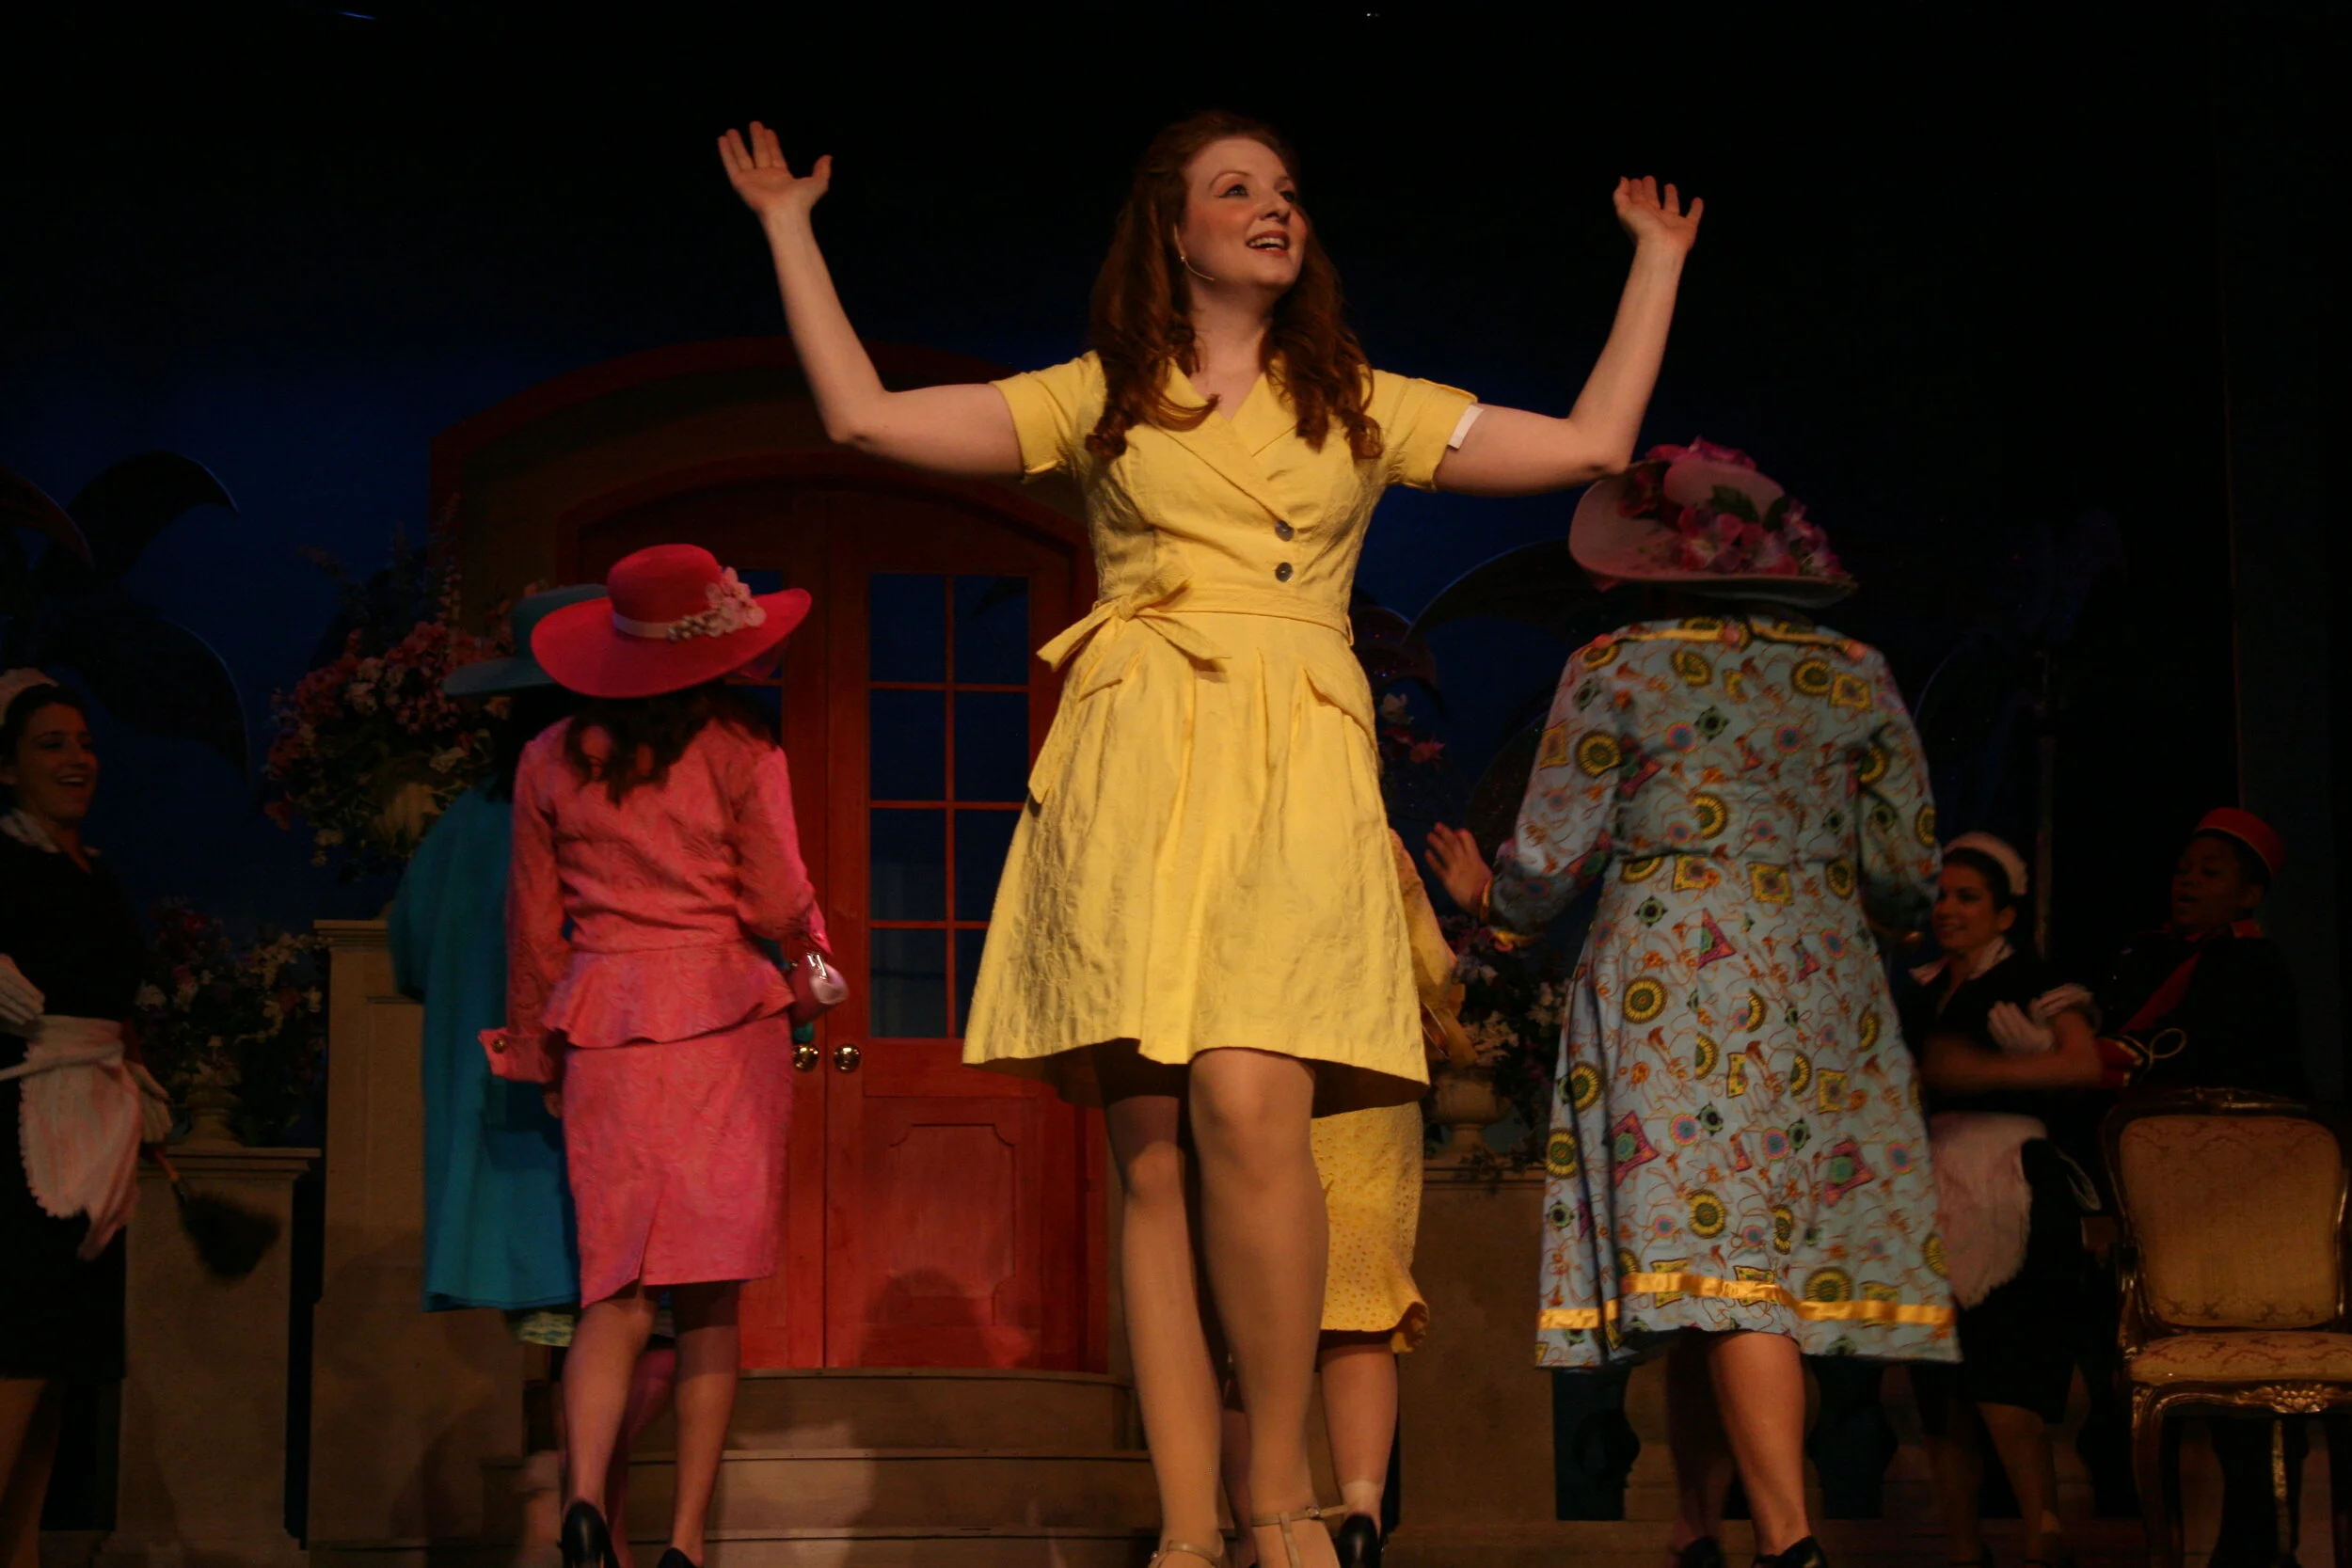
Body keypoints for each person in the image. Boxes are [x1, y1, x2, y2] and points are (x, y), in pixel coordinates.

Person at [719, 107, 1698, 1568]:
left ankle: (1280, 1488)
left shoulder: (1357, 401)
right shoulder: (1103, 396)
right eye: (1236, 189)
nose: (1272, 207)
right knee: (1153, 1157)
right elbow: (863, 418)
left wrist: (1656, 260)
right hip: (1138, 759)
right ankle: (1188, 1523)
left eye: (1286, 188)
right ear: (1173, 232)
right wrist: (790, 228)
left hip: (1295, 758)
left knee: (1251, 1100)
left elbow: (1593, 444)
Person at [1425, 441, 1955, 1568]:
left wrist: (1493, 903)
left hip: (1674, 979)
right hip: (1820, 979)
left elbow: (1546, 858)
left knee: (1723, 1270)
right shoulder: (1854, 672)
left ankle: (1789, 1538)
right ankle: (1694, 1527)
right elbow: (1908, 874)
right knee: (1711, 1272)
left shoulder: (1616, 666)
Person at [483, 546, 828, 1568]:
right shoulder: (739, 748)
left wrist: (539, 1051)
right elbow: (775, 899)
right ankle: (684, 1541)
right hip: (724, 1022)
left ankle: (586, 1499)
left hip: (605, 1028)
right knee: (710, 1301)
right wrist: (812, 953)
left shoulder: (549, 756)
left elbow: (532, 929)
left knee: (614, 1292)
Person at [392, 587, 676, 1568]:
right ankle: (568, 1503)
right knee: (634, 1329)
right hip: (587, 1106)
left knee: (576, 1339)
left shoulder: (463, 823)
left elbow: (412, 954)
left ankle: (573, 1510)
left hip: (505, 1121)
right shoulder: (592, 804)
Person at [1219, 832, 1470, 1568]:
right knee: (1360, 1302)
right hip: (1367, 1074)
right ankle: (1361, 1510)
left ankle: (1257, 1537)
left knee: (1249, 1317)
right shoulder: (1367, 834)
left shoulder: (1225, 820)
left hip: (1255, 1068)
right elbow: (1430, 965)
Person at [2090, 808, 2304, 1568]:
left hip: (2243, 1203)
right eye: (2184, 868)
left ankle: (2257, 1539)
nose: (2188, 881)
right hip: (2159, 1203)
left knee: (2245, 1372)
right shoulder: (2143, 955)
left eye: (2211, 872)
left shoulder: (2254, 967)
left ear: (2249, 894)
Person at [1896, 832, 2101, 1568]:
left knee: (2003, 1375)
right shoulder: (1922, 990)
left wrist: (1983, 1071)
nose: (1948, 908)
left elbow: (2084, 1064)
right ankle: (1965, 1550)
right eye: (1942, 895)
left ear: (2005, 913)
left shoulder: (2035, 979)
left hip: (2011, 1181)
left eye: (1968, 896)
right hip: (1934, 1185)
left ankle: (2044, 1537)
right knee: (1942, 1388)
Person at [0, 673, 167, 1568]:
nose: (76, 759)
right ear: (7, 768)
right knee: (20, 1350)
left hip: (96, 1124)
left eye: (85, 742)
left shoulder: (92, 871)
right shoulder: (5, 859)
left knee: (58, 1366)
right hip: (28, 1128)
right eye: (51, 743)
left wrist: (137, 1072)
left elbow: (111, 994)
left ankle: (20, 1550)